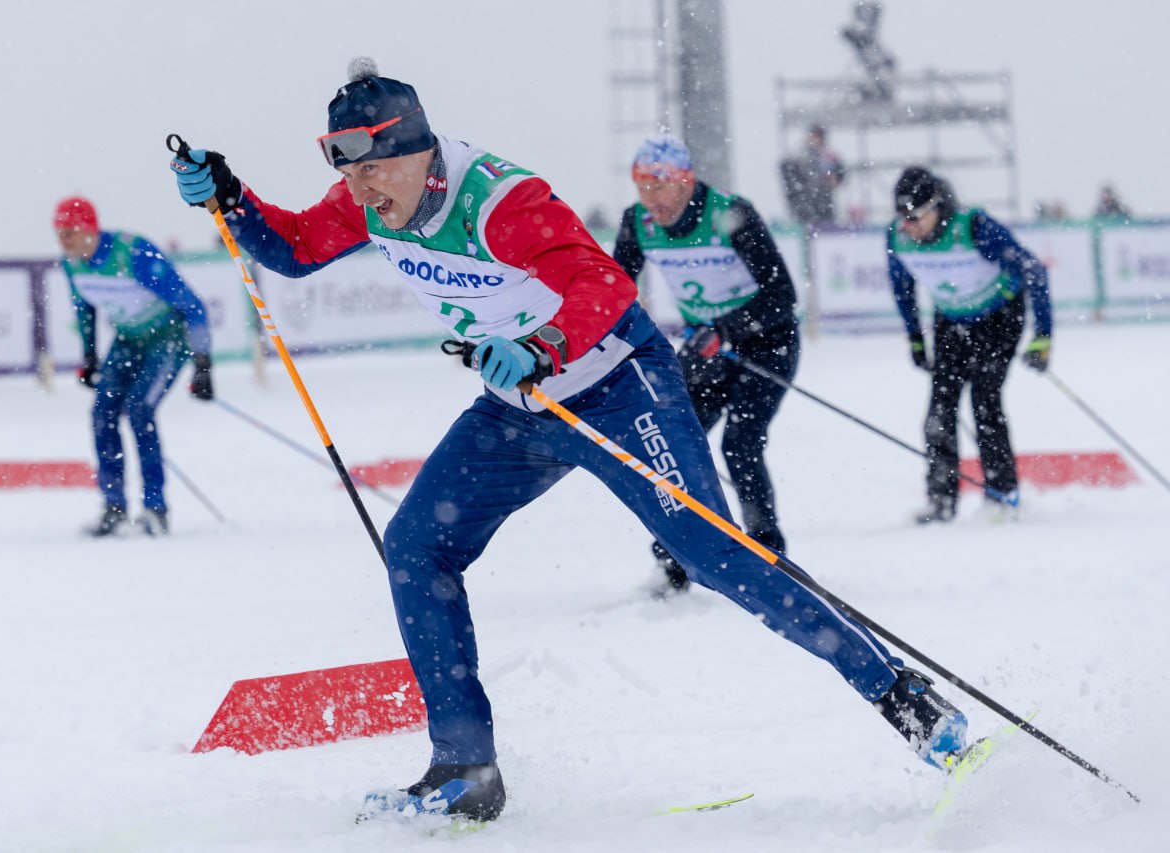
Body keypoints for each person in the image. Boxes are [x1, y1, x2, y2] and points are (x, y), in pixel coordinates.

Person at [170, 58, 969, 823]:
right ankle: (464, 768)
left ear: (415, 148)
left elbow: (604, 284)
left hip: (617, 387)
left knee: (715, 553)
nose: (358, 188)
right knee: (416, 546)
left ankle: (906, 699)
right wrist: (231, 197)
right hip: (517, 408)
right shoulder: (368, 201)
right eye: (346, 172)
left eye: (372, 167)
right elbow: (300, 247)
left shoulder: (500, 201)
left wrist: (544, 345)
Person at [612, 134, 798, 597]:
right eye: (643, 187)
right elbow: (612, 290)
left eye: (661, 187)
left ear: (686, 182)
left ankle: (765, 551)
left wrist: (726, 328)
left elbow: (782, 297)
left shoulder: (730, 214)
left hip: (766, 344)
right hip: (706, 347)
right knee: (675, 445)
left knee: (741, 443)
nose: (652, 199)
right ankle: (675, 558)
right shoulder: (638, 224)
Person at [887, 166, 1052, 524]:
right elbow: (902, 288)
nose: (907, 226)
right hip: (951, 320)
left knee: (984, 399)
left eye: (914, 216)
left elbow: (1033, 271)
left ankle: (1002, 494)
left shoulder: (975, 228)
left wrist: (1043, 337)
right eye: (901, 217)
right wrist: (915, 337)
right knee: (940, 408)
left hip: (1000, 316)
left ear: (936, 207)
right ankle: (941, 500)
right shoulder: (898, 238)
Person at [53, 196, 215, 536]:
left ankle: (156, 509)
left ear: (89, 229)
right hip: (128, 340)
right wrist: (90, 357)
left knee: (139, 409)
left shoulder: (132, 252)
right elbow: (85, 310)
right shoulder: (72, 264)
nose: (63, 241)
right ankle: (114, 506)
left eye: (69, 233)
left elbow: (194, 306)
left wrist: (203, 364)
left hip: (169, 338)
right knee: (102, 414)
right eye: (59, 233)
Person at [780, 124, 845, 227]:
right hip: (805, 203)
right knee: (807, 228)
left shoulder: (829, 156)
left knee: (824, 227)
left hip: (823, 201)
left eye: (819, 137)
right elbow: (787, 171)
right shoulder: (799, 155)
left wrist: (835, 179)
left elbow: (839, 174)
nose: (817, 140)